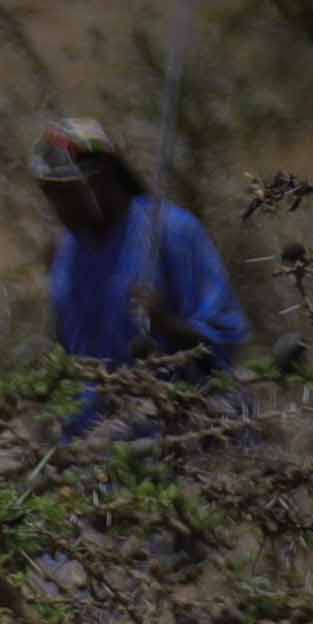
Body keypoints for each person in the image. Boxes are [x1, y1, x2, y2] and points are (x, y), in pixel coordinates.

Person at [31, 117, 249, 422]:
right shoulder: (68, 252)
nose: (61, 207)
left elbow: (227, 339)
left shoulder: (171, 231)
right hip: (92, 437)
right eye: (51, 195)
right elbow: (67, 353)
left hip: (177, 425)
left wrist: (165, 323)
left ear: (104, 174)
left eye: (69, 192)